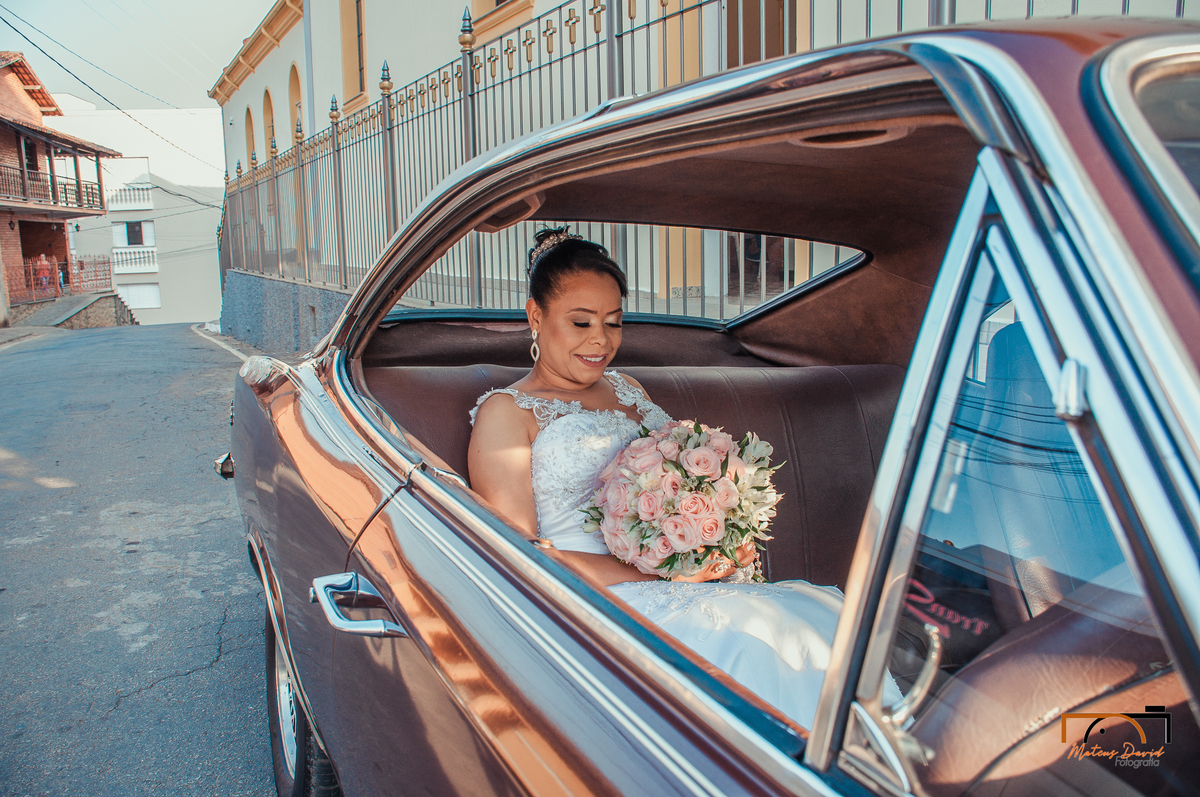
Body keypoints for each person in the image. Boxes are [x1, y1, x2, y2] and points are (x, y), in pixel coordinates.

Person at [468, 227, 899, 728]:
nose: (601, 340)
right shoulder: (506, 412)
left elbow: (680, 472)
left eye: (614, 322)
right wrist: (663, 571)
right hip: (592, 595)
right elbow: (518, 560)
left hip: (676, 577)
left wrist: (719, 526)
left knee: (819, 619)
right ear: (535, 316)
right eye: (581, 322)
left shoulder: (626, 388)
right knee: (754, 640)